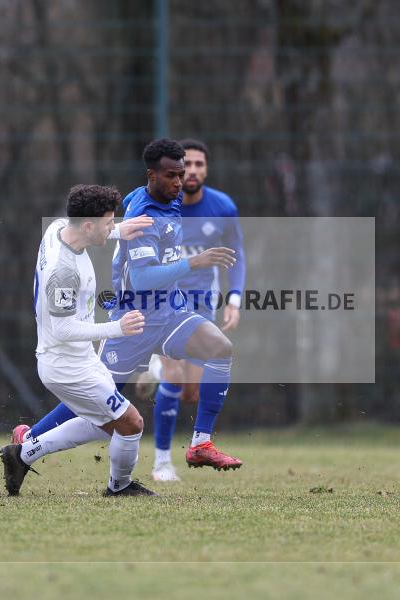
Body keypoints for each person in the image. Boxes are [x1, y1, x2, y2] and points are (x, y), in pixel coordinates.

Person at [16, 139, 244, 473]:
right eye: (172, 175)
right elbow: (142, 280)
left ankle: (200, 444)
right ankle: (29, 437)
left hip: (170, 314)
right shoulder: (145, 216)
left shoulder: (169, 196)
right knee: (99, 406)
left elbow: (98, 228)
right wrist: (195, 263)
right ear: (152, 175)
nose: (180, 182)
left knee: (220, 349)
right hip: (133, 322)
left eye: (183, 173)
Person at [0, 184, 158, 497]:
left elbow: (93, 229)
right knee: (131, 423)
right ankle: (119, 487)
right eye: (109, 223)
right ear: (88, 226)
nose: (112, 227)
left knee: (103, 422)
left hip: (79, 358)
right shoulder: (64, 272)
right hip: (65, 364)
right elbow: (63, 330)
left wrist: (119, 231)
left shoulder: (59, 227)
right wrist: (117, 329)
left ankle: (22, 454)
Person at [149, 138, 246, 482]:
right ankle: (162, 461)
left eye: (198, 165)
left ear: (207, 169)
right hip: (164, 307)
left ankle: (156, 377)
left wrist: (234, 299)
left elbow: (237, 255)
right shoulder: (157, 204)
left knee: (191, 391)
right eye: (185, 165)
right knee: (174, 377)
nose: (191, 171)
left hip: (202, 307)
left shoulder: (222, 207)